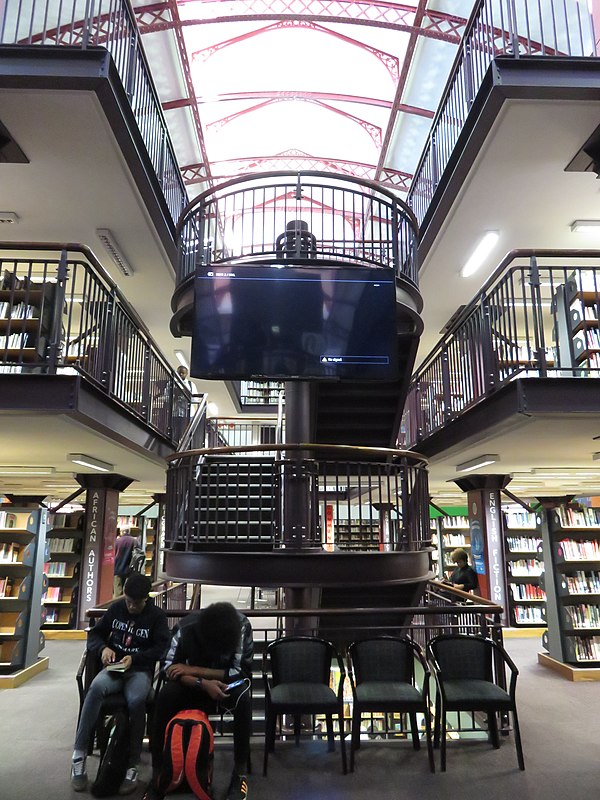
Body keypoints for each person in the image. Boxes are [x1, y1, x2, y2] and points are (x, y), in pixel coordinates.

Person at [71, 574, 171, 795]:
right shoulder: (117, 609)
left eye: (137, 603)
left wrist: (135, 659)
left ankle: (132, 764)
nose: (131, 606)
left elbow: (161, 648)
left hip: (139, 671)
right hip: (114, 670)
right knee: (95, 689)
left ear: (147, 599)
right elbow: (95, 635)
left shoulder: (156, 617)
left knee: (136, 700)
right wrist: (103, 649)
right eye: (128, 601)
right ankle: (78, 755)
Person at [143, 602, 254, 800]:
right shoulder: (185, 629)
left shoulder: (242, 626)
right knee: (164, 697)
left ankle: (239, 773)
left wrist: (195, 670)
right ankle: (158, 774)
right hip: (192, 686)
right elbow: (169, 668)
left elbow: (241, 672)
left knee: (243, 699)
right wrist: (201, 683)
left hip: (224, 685)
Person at [113, 528, 140, 598]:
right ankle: (126, 605)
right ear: (129, 532)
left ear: (121, 532)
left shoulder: (117, 541)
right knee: (127, 591)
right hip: (130, 569)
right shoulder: (134, 541)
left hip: (117, 568)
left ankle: (117, 605)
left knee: (117, 591)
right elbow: (139, 554)